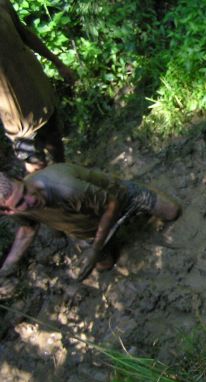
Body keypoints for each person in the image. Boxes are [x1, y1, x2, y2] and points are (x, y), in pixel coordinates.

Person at [0, 163, 181, 280]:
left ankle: (140, 193)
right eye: (21, 203)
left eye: (25, 190)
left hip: (120, 197)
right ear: (9, 211)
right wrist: (8, 266)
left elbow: (112, 203)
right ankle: (100, 244)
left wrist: (95, 249)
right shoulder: (17, 211)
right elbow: (27, 230)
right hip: (87, 230)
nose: (30, 200)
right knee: (105, 265)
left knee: (172, 212)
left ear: (20, 180)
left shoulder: (64, 186)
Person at [0, 0, 75, 173]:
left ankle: (68, 191)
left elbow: (25, 34)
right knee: (36, 167)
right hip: (16, 117)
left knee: (57, 150)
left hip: (39, 93)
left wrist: (57, 62)